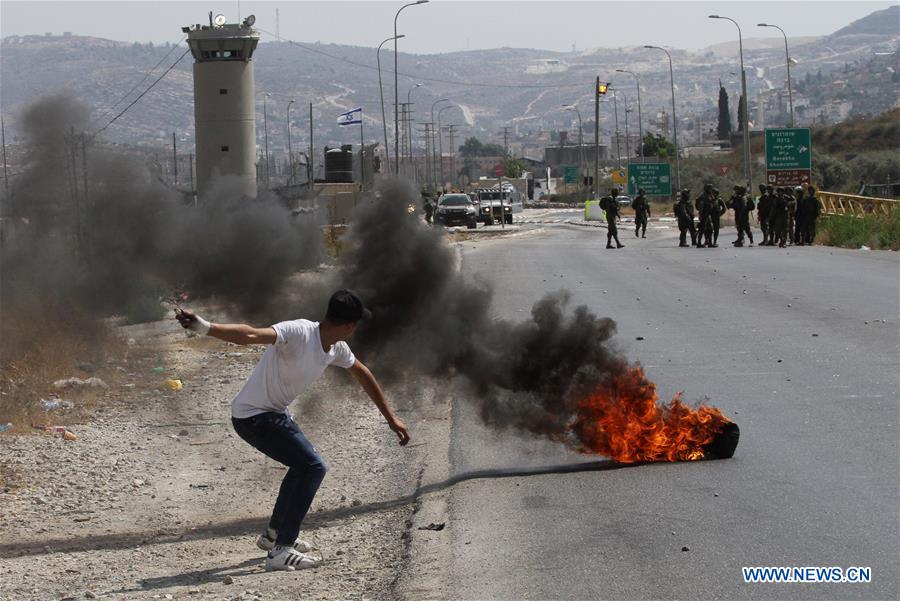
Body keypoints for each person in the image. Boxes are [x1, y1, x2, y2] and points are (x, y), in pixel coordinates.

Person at [175, 290, 410, 572]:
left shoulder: (336, 348)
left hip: (271, 415)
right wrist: (205, 327)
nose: (357, 328)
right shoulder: (299, 332)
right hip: (253, 417)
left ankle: (274, 535)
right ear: (349, 325)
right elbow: (249, 335)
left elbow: (363, 373)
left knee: (301, 466)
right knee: (313, 467)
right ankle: (281, 551)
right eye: (357, 323)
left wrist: (391, 418)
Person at [695, 183, 715, 248]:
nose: (711, 190)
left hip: (708, 214)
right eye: (710, 189)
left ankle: (710, 242)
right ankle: (699, 243)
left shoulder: (710, 195)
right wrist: (701, 215)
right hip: (704, 215)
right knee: (702, 229)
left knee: (710, 229)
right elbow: (701, 207)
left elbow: (712, 202)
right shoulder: (703, 196)